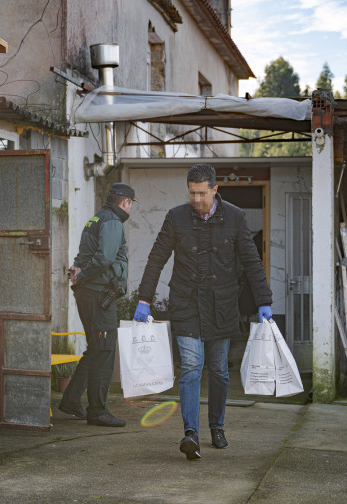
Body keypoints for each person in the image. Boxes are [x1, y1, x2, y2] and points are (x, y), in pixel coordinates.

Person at [133, 164, 272, 459]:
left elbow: (251, 261)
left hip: (222, 306)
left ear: (214, 190)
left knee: (219, 372)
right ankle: (190, 433)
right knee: (192, 368)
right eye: (192, 193)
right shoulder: (177, 217)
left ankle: (217, 427)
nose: (196, 200)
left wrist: (264, 300)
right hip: (186, 304)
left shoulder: (235, 217)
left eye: (201, 193)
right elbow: (157, 258)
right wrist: (145, 298)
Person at [58, 182, 136, 427]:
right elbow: (105, 258)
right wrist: (82, 274)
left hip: (90, 293)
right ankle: (98, 411)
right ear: (126, 203)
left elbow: (88, 255)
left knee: (96, 348)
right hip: (99, 294)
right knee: (104, 351)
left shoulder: (96, 218)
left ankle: (71, 399)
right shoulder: (112, 221)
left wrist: (80, 272)